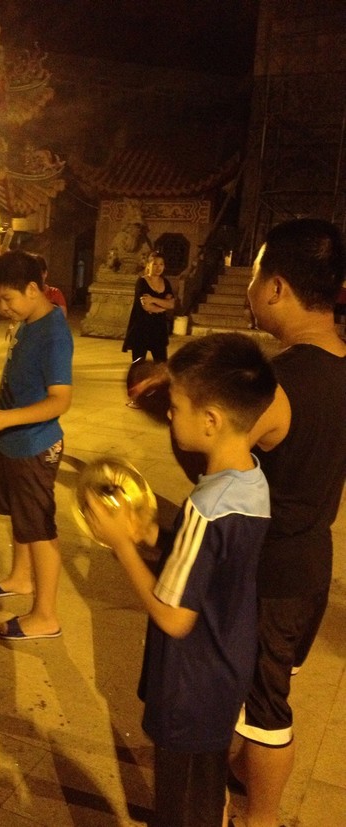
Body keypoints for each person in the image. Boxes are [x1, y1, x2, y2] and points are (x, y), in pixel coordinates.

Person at [84, 332, 277, 827]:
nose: (169, 416)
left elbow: (173, 617)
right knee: (204, 786)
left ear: (210, 420)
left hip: (191, 682)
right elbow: (214, 565)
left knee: (182, 802)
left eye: (175, 407)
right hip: (224, 667)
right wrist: (150, 534)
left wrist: (122, 545)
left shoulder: (205, 507)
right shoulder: (252, 481)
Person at [229, 218, 346, 827]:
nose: (250, 290)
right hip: (312, 564)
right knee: (265, 689)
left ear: (276, 287)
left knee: (265, 708)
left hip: (269, 573)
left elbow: (220, 463)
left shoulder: (281, 383)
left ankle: (262, 818)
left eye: (253, 276)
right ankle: (240, 786)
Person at [0, 249, 73, 641]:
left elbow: (60, 401)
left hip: (35, 444)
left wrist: (5, 419)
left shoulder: (53, 335)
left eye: (7, 298)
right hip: (15, 441)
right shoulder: (29, 321)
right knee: (20, 515)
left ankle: (46, 615)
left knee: (40, 529)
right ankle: (20, 577)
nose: (1, 306)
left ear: (33, 289)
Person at [122, 252, 175, 366]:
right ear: (148, 265)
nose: (158, 267)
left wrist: (153, 299)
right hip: (141, 327)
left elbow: (171, 304)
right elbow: (146, 306)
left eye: (161, 264)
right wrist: (163, 306)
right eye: (155, 264)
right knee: (138, 365)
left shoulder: (166, 282)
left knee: (162, 364)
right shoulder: (142, 282)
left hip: (159, 328)